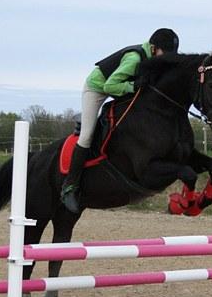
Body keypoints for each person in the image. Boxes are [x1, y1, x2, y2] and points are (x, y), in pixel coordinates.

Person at [60, 28, 180, 213]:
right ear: (154, 48)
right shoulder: (134, 58)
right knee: (86, 136)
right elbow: (110, 86)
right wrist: (133, 86)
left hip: (118, 86)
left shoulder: (153, 58)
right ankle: (70, 187)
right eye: (166, 54)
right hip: (97, 88)